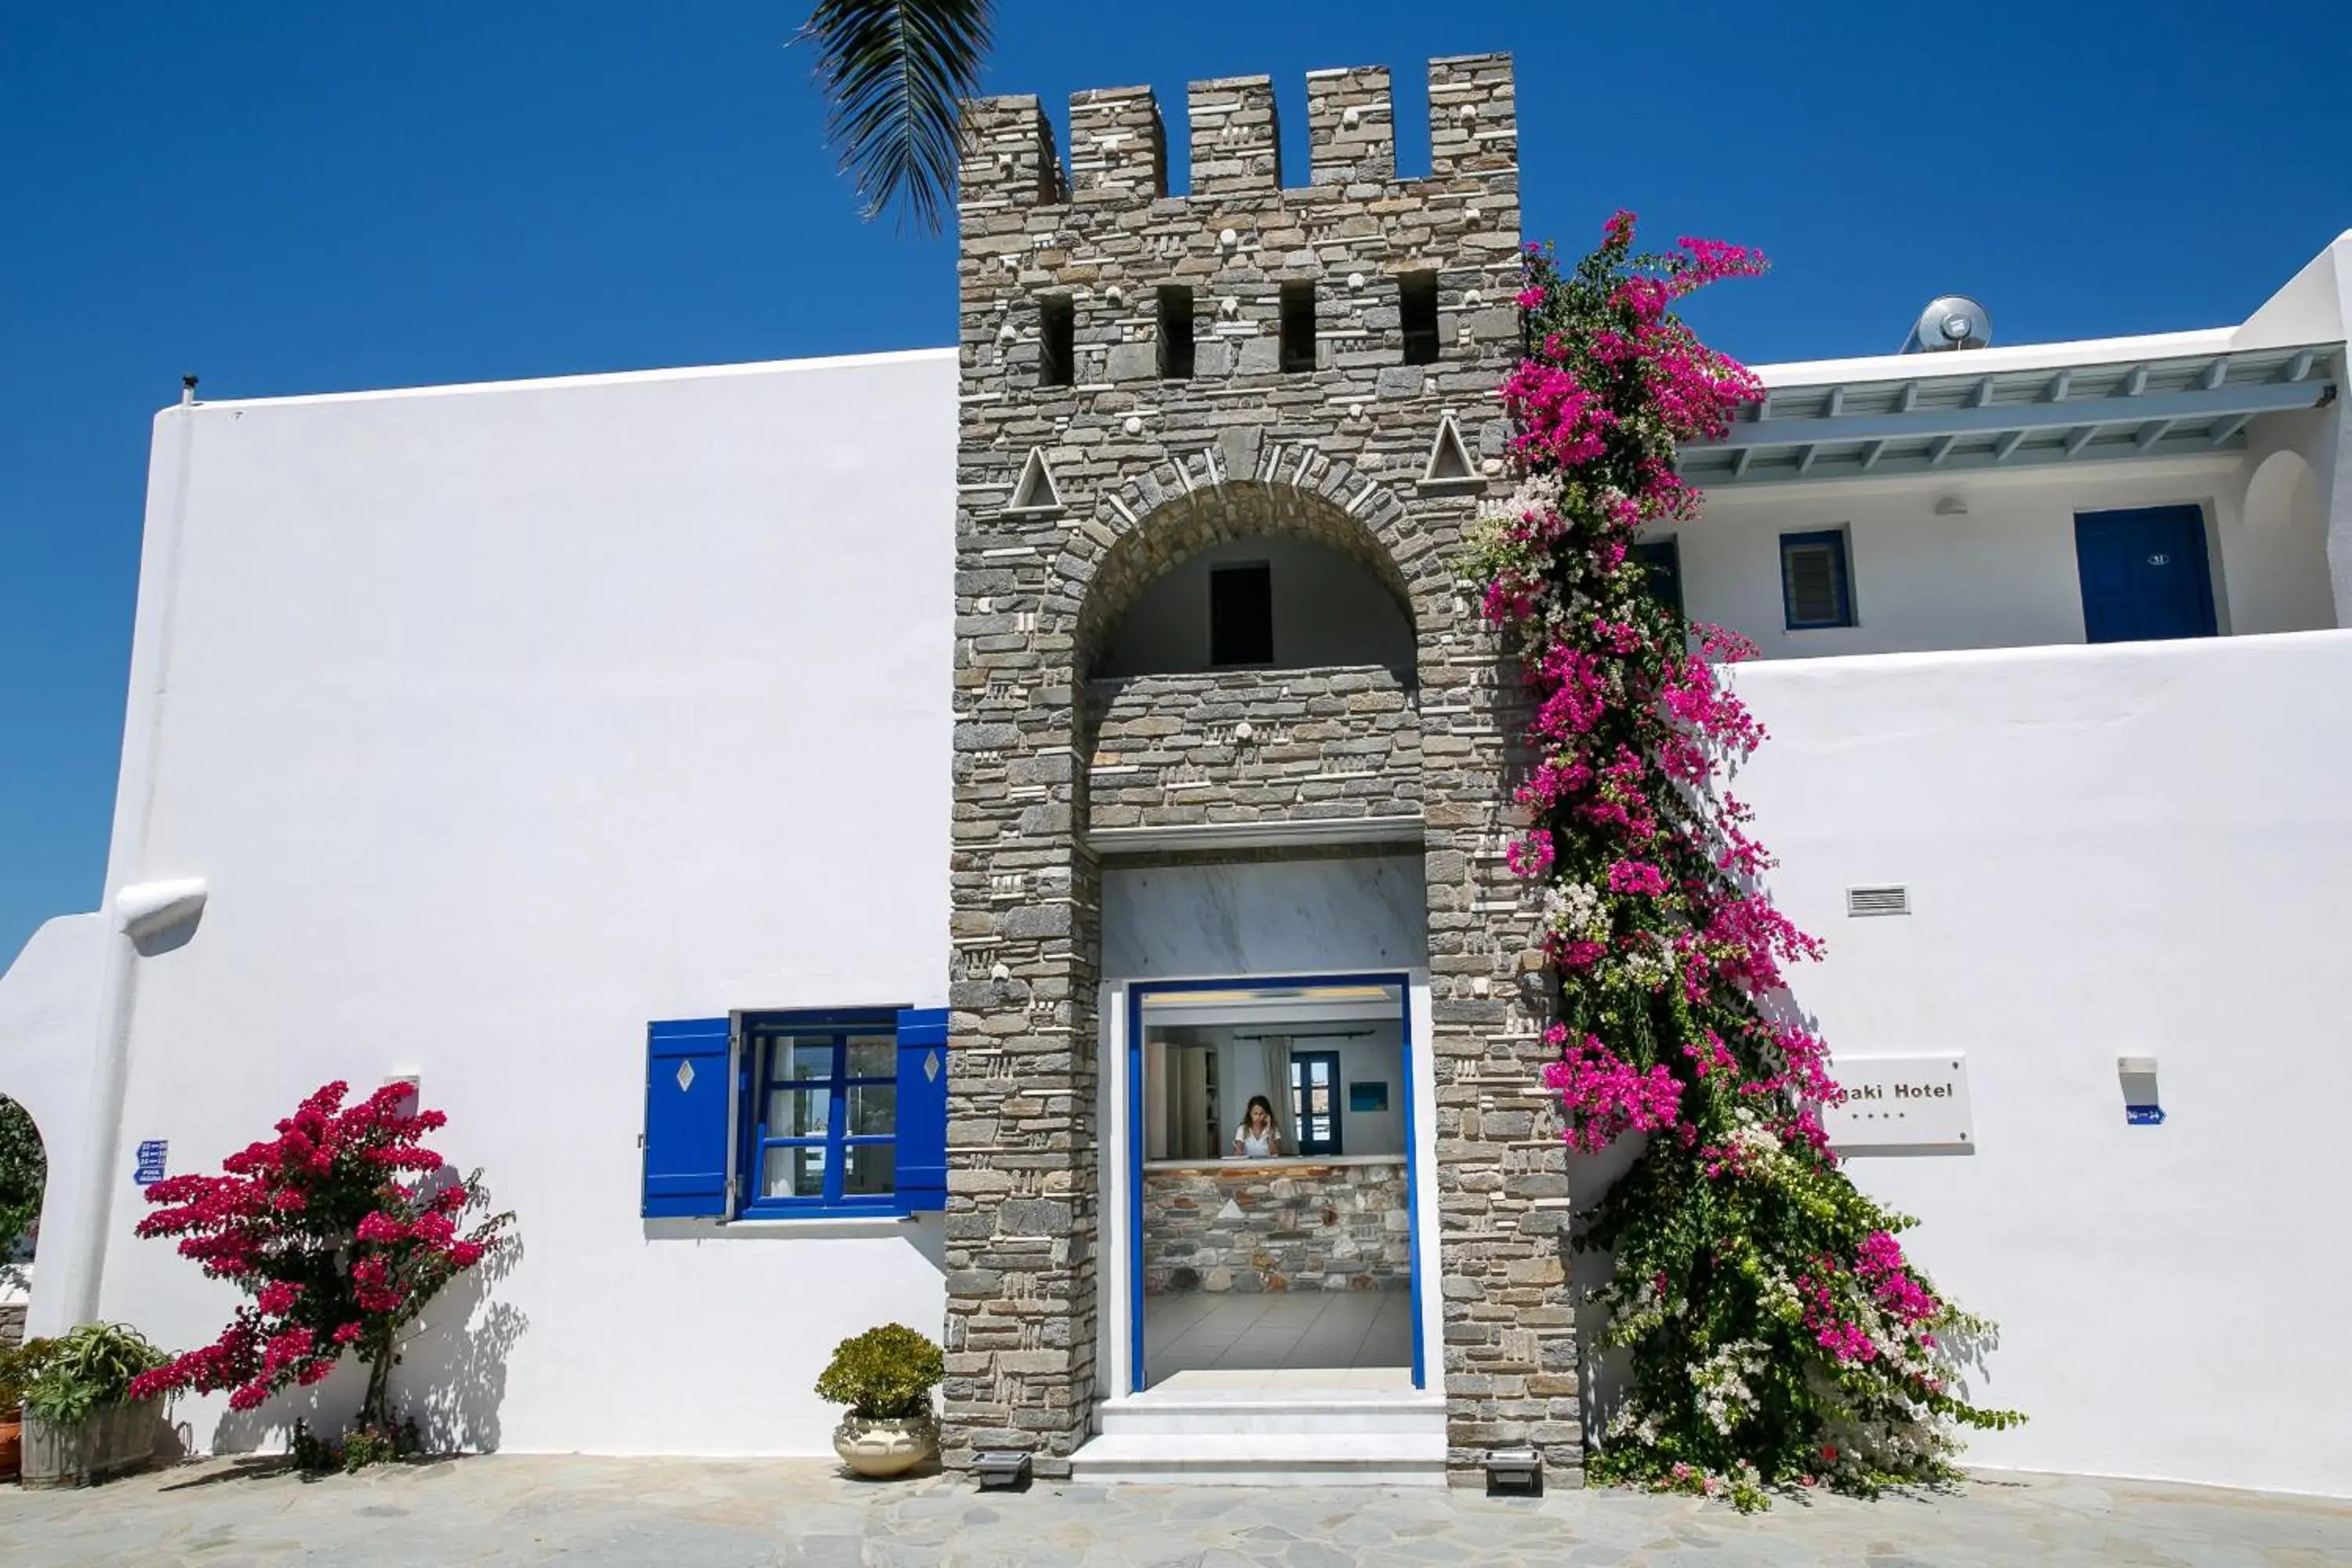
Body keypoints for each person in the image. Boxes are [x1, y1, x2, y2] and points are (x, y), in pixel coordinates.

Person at [1232, 1095, 1281, 1159]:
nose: (1258, 1117)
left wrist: (1269, 1134)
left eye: (1261, 1114)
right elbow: (1237, 1155)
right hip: (1248, 1166)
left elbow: (1275, 1154)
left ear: (1267, 1114)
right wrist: (1238, 1150)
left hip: (1268, 1166)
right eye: (1255, 1113)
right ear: (1250, 1114)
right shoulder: (1242, 1129)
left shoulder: (1274, 1129)